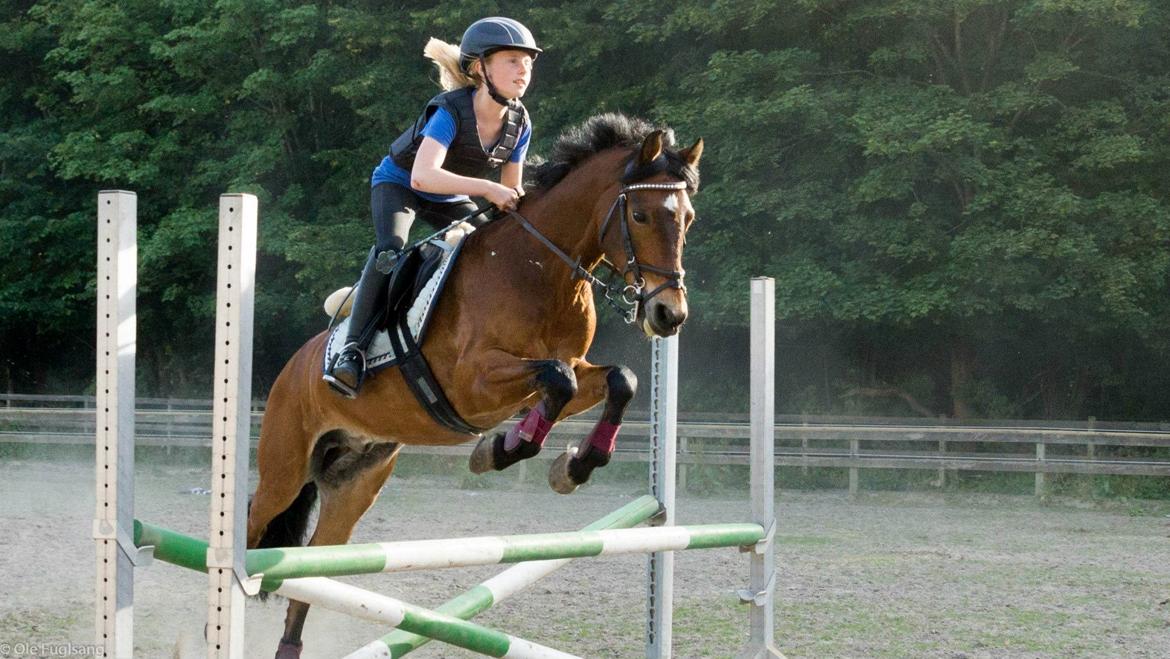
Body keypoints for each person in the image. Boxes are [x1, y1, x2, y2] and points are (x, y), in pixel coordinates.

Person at [323, 17, 540, 398]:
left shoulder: (520, 124)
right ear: (479, 68)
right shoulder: (450, 111)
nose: (523, 69)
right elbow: (423, 177)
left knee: (488, 252)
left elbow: (510, 193)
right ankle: (351, 352)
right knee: (390, 250)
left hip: (450, 194)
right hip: (400, 183)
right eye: (511, 60)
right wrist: (488, 189)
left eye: (528, 62)